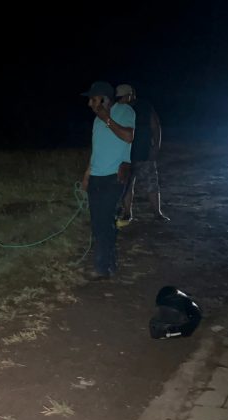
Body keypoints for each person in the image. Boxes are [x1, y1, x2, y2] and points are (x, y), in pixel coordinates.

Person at [81, 81, 135, 280]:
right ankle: (108, 263)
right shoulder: (96, 120)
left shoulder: (124, 110)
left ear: (104, 99)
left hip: (114, 177)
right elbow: (97, 150)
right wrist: (87, 174)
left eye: (93, 99)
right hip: (96, 177)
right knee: (98, 222)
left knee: (104, 221)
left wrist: (106, 118)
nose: (89, 104)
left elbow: (129, 136)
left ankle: (103, 266)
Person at [115, 84, 169, 226]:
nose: (122, 99)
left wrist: (156, 146)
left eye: (124, 96)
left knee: (151, 183)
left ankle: (157, 213)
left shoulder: (144, 106)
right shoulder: (119, 109)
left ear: (131, 94)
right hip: (125, 155)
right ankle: (127, 213)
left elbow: (155, 126)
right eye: (119, 97)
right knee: (126, 186)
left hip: (144, 153)